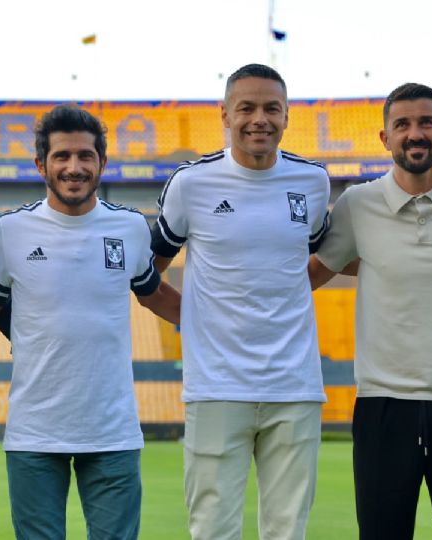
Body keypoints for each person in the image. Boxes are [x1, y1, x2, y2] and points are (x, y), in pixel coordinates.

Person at [0, 104, 180, 540]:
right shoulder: (11, 231)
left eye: (86, 156)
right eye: (62, 156)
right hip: (34, 432)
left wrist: (217, 323)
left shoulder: (129, 227)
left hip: (113, 431)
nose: (74, 167)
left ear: (102, 163)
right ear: (41, 165)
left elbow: (154, 296)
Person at [308, 82, 432, 539]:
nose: (415, 134)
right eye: (403, 125)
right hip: (383, 405)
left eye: (426, 123)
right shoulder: (357, 204)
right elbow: (312, 275)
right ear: (385, 138)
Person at [151, 63, 330, 540]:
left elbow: (318, 259)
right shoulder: (191, 183)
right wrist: (189, 317)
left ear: (287, 116)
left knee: (288, 530)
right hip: (216, 386)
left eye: (272, 108)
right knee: (213, 529)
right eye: (246, 108)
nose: (259, 119)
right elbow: (149, 272)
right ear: (225, 115)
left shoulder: (312, 182)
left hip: (294, 386)